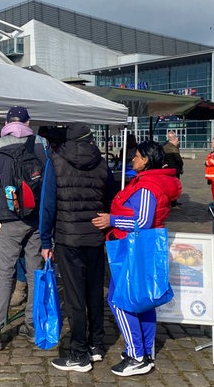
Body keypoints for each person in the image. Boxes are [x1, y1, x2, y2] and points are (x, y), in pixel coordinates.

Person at [92, 141, 181, 377]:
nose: (133, 159)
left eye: (137, 156)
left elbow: (142, 222)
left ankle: (137, 355)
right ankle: (144, 351)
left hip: (133, 248)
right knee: (143, 301)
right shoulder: (147, 182)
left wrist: (111, 220)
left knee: (119, 300)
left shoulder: (148, 186)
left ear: (147, 160)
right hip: (138, 247)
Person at [0, 105, 50, 351]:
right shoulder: (42, 144)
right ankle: (32, 324)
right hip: (36, 217)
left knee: (4, 272)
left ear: (6, 122)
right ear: (28, 121)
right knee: (35, 272)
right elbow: (49, 182)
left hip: (9, 216)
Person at [40, 123, 114, 373]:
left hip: (68, 238)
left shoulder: (56, 161)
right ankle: (96, 345)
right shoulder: (102, 163)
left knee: (74, 297)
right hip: (94, 236)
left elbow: (47, 205)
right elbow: (111, 198)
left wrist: (44, 240)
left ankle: (78, 353)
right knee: (94, 293)